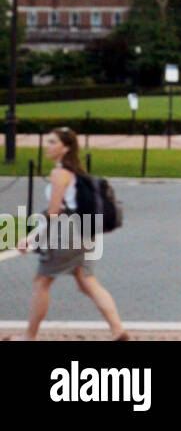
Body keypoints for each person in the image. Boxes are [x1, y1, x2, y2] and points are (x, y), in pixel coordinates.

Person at [7, 129, 127, 341]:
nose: (48, 146)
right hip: (87, 232)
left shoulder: (59, 174)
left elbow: (54, 212)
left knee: (41, 281)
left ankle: (29, 337)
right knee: (87, 281)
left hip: (67, 233)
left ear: (66, 147)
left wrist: (31, 236)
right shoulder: (78, 174)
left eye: (53, 142)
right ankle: (118, 331)